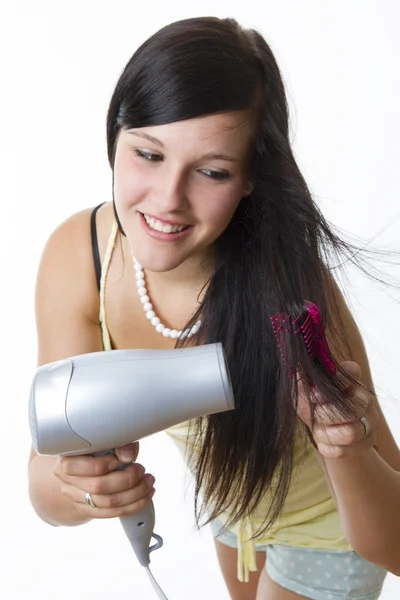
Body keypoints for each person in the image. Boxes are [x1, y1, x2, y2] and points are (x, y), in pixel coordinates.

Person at [27, 16, 400, 600]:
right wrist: (84, 490)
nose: (168, 200)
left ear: (252, 177)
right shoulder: (81, 260)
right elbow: (45, 483)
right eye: (148, 154)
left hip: (332, 530)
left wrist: (346, 443)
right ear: (114, 137)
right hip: (236, 507)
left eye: (211, 172)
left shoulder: (290, 291)